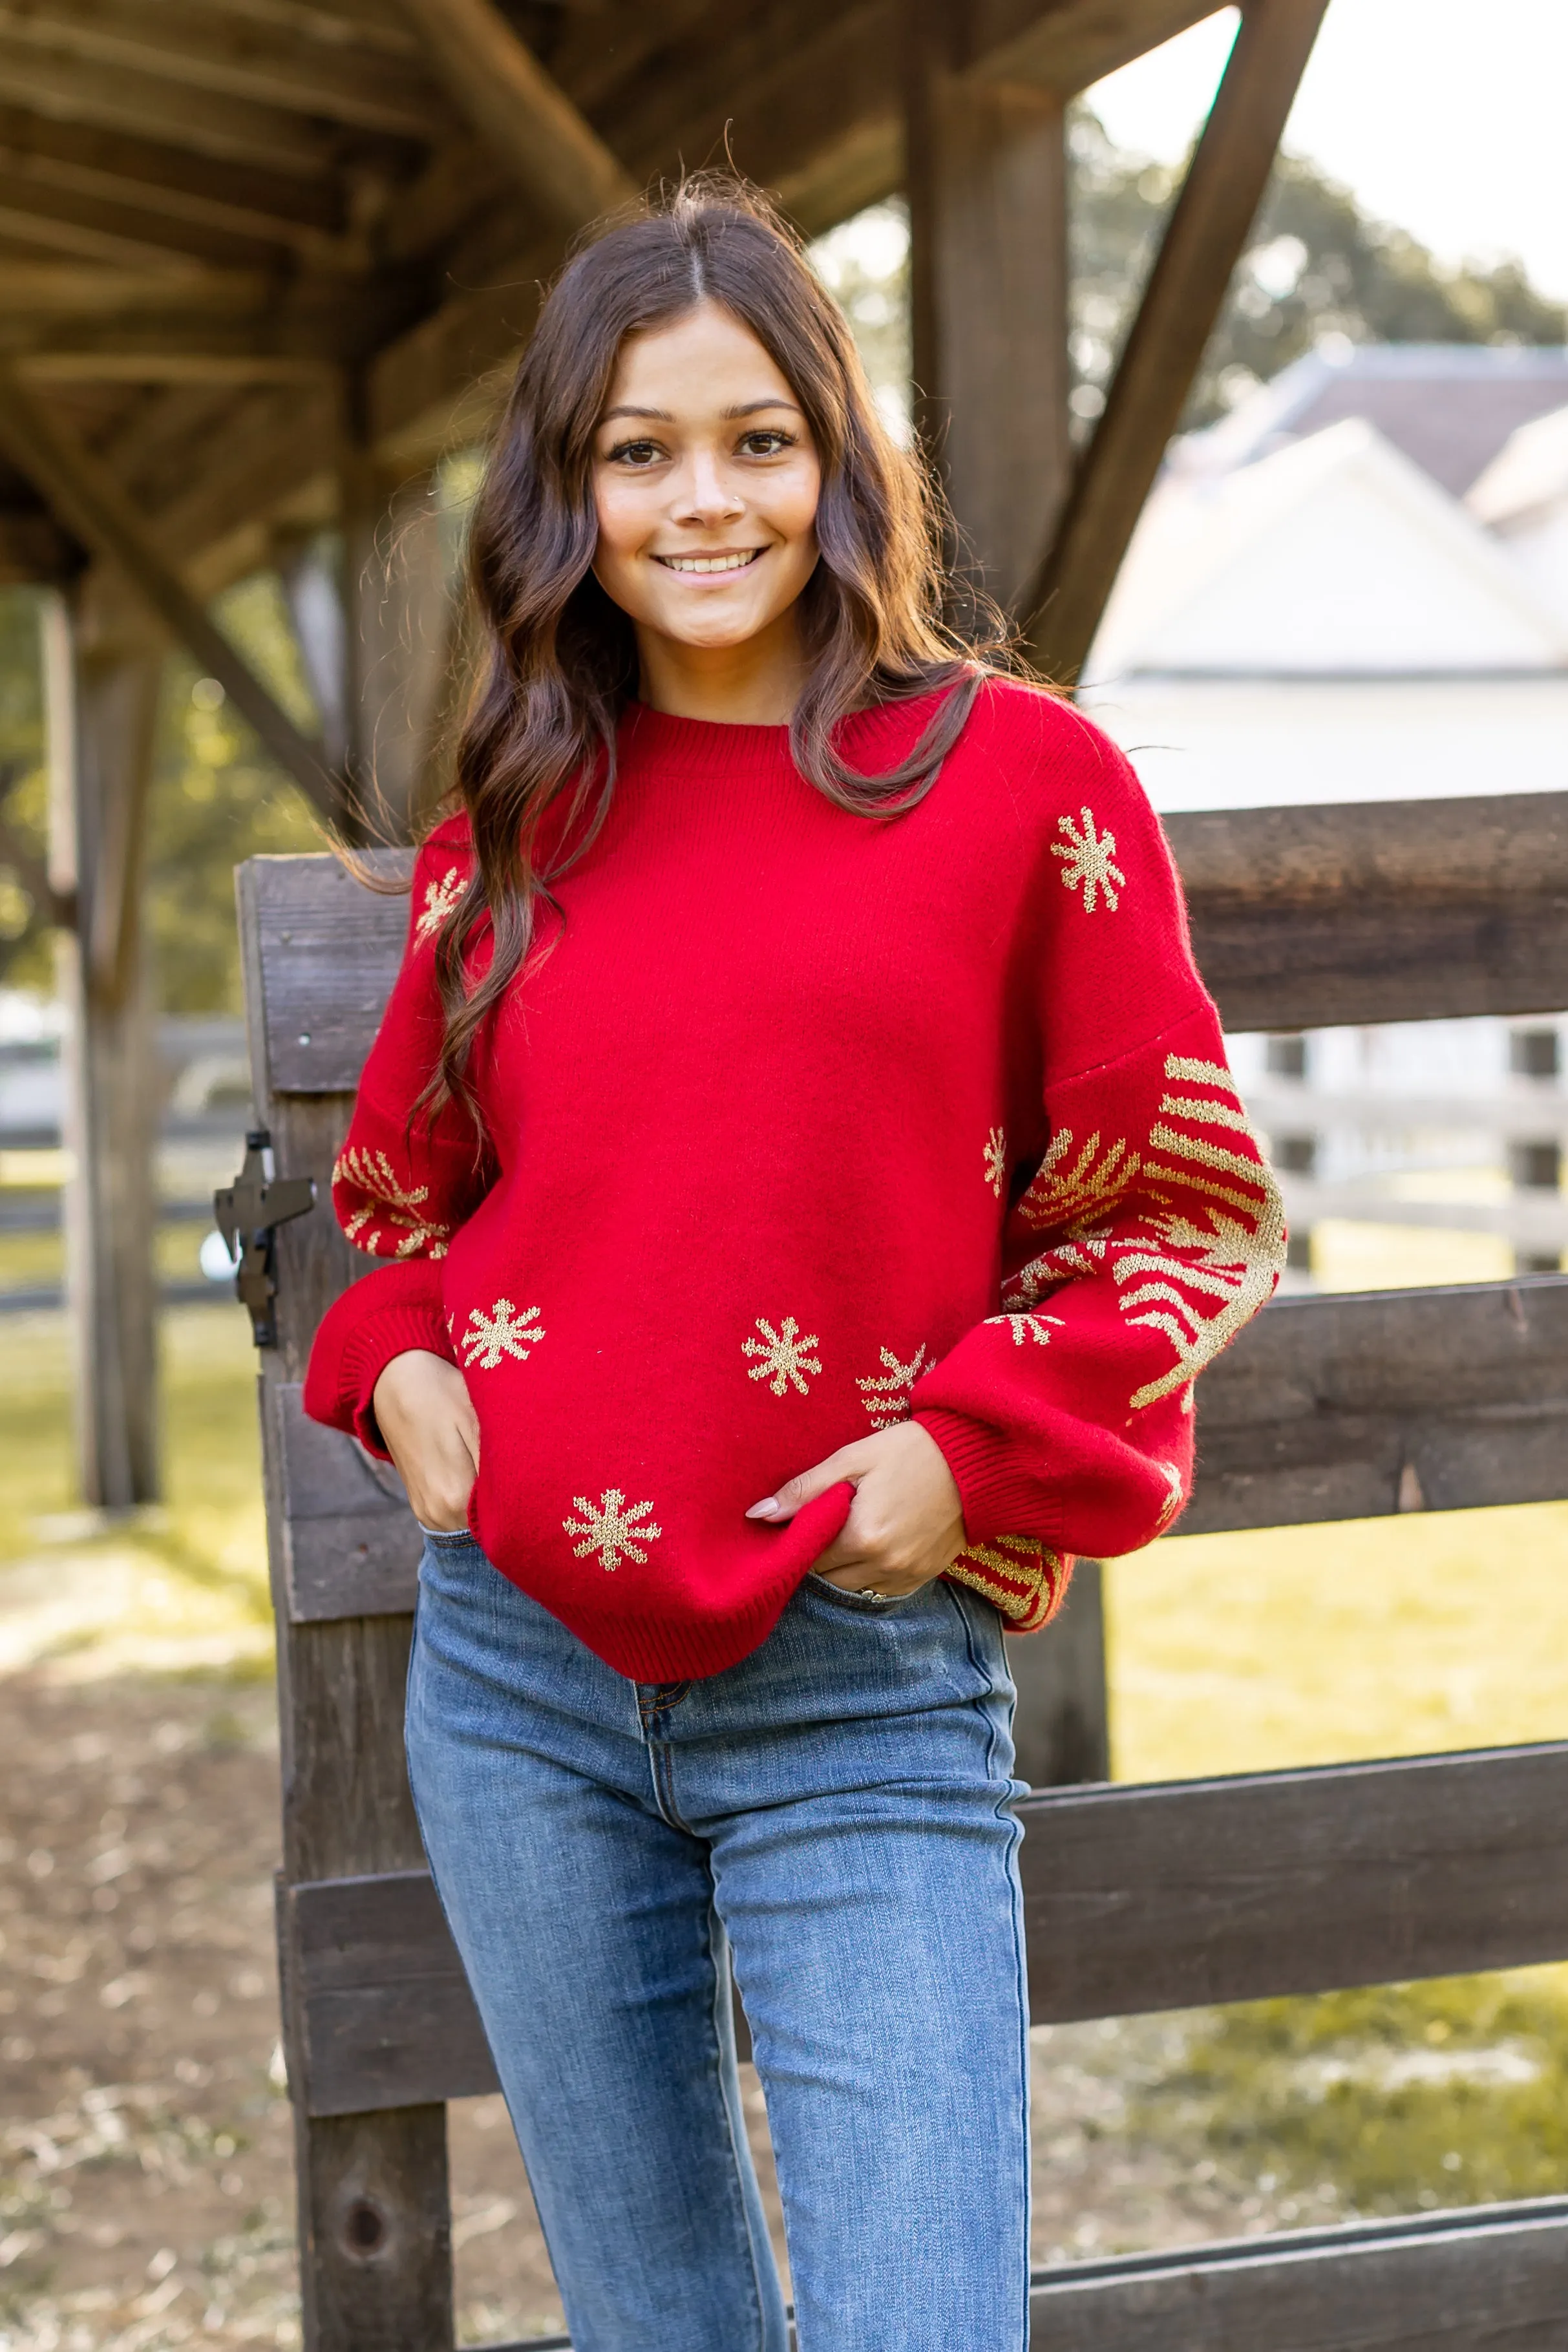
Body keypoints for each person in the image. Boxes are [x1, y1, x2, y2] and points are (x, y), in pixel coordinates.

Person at [303, 176, 1285, 2352]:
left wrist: (972, 1449)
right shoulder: (516, 823)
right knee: (663, 2326)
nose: (703, 498)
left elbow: (1190, 1211)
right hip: (522, 1678)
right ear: (568, 494)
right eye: (637, 450)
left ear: (844, 458)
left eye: (758, 436)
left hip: (861, 1691)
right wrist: (399, 1372)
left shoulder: (1025, 785)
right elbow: (393, 1211)